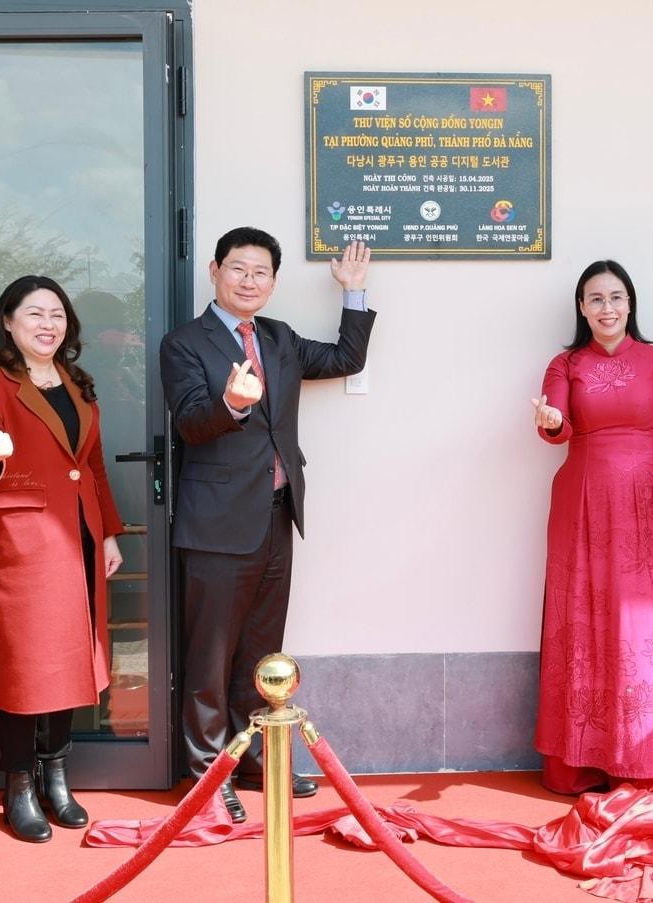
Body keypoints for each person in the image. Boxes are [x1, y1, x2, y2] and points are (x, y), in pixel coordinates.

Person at [160, 229, 374, 822]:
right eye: (238, 269)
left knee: (259, 650)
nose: (248, 280)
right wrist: (230, 404)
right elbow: (189, 425)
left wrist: (353, 295)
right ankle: (206, 775)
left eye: (260, 272)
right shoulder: (183, 343)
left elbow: (344, 358)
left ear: (273, 282)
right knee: (209, 655)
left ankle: (251, 758)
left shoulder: (278, 339)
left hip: (278, 515)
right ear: (214, 271)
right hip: (215, 524)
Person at [0, 275, 124, 843]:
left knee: (70, 658)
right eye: (34, 313)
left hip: (79, 534)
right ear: (8, 321)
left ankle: (58, 776)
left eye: (57, 314)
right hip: (23, 544)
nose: (48, 324)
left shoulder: (77, 382)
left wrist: (109, 534)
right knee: (27, 663)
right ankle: (19, 785)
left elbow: (93, 465)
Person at [532, 259, 653, 799]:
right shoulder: (565, 363)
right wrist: (553, 422)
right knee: (581, 615)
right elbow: (554, 422)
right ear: (582, 307)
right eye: (596, 298)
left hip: (647, 502)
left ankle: (649, 759)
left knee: (643, 626)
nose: (607, 308)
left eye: (616, 297)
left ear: (631, 304)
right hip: (579, 499)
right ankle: (579, 762)